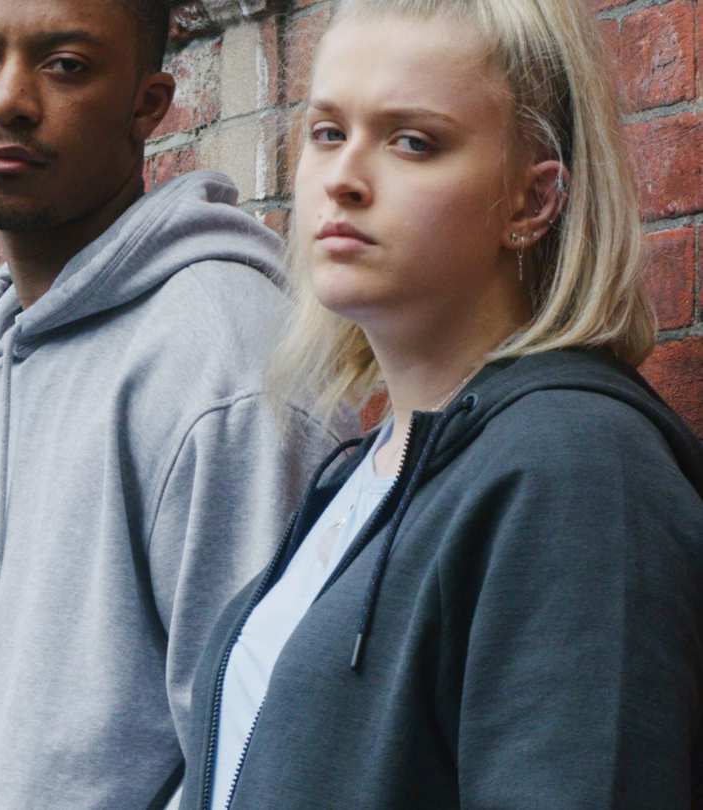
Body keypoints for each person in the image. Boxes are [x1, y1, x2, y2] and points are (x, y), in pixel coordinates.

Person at [183, 1, 703, 808]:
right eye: (328, 132)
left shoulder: (577, 471)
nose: (344, 178)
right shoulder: (361, 472)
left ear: (532, 202)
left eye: (412, 141)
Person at [0, 0, 352, 806]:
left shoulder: (228, 368)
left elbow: (271, 761)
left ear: (148, 104)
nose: (5, 99)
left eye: (65, 65)